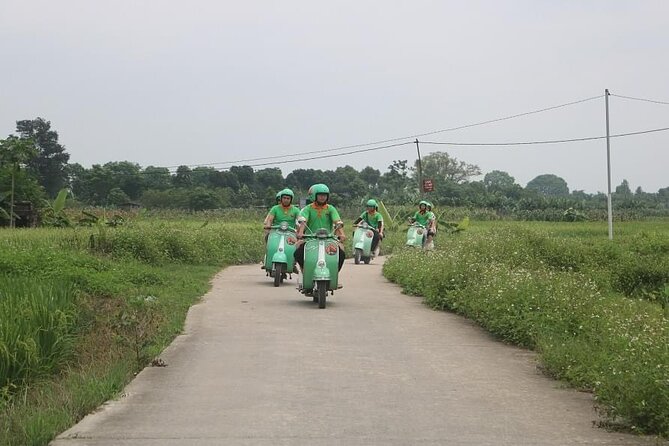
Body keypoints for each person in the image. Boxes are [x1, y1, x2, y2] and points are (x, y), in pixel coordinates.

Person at [294, 183, 346, 272]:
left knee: (341, 253)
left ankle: (334, 274)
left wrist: (342, 234)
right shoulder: (308, 208)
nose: (323, 197)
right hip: (310, 238)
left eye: (325, 195)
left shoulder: (330, 209)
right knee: (298, 252)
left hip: (328, 239)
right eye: (320, 195)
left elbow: (337, 221)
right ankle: (305, 271)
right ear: (315, 196)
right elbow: (303, 220)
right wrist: (301, 232)